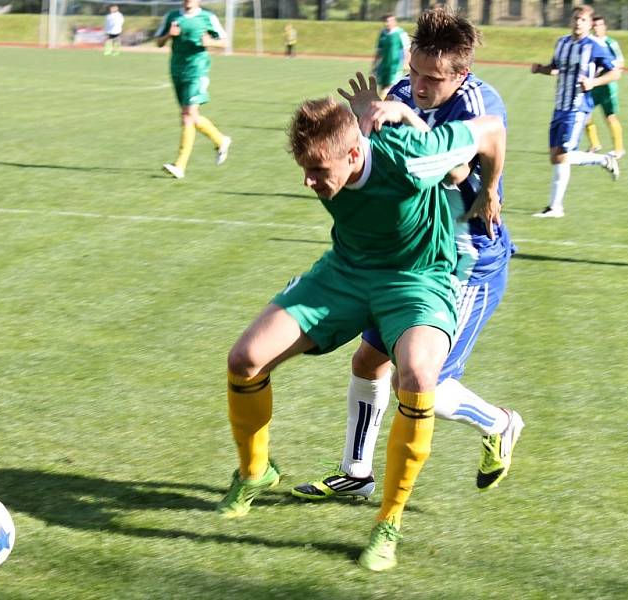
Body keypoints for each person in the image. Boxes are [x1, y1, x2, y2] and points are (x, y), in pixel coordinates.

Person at [217, 96, 506, 574]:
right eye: (304, 167)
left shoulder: (412, 155)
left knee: (416, 375)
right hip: (345, 271)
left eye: (315, 168)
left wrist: (489, 188)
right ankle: (254, 471)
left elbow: (491, 128)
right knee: (244, 358)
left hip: (417, 280)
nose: (307, 180)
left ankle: (387, 523)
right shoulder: (338, 160)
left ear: (354, 154)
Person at [292, 6, 523, 506]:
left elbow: (457, 174)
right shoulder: (399, 93)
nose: (418, 84)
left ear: (460, 74)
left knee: (422, 383)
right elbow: (376, 161)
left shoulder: (480, 102)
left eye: (432, 78)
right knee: (368, 359)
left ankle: (501, 423)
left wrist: (411, 122)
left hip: (468, 261)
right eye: (414, 71)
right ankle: (356, 472)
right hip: (411, 261)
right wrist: (357, 127)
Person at [530, 4, 620, 218]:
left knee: (564, 155)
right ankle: (603, 160)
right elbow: (556, 68)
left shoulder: (595, 46)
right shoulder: (562, 43)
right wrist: (540, 69)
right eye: (576, 19)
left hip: (577, 107)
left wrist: (594, 81)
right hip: (559, 105)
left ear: (589, 24)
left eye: (583, 20)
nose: (578, 23)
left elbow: (615, 73)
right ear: (571, 21)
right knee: (556, 157)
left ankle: (555, 207)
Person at [154, 0, 231, 179]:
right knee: (190, 116)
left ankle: (180, 165)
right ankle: (221, 140)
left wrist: (209, 42)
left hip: (197, 70)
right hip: (177, 71)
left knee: (188, 115)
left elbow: (224, 42)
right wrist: (169, 35)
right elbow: (158, 42)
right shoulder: (172, 16)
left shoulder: (207, 17)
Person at [584, 14, 625, 159]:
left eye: (599, 25)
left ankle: (619, 149)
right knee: (585, 115)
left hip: (607, 87)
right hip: (592, 86)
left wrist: (606, 69)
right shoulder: (589, 43)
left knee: (610, 117)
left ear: (604, 27)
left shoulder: (610, 43)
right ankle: (595, 144)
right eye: (594, 25)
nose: (596, 28)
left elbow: (620, 63)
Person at [372, 14, 410, 99]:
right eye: (385, 21)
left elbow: (406, 49)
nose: (387, 23)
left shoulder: (400, 33)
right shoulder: (383, 33)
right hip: (383, 66)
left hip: (395, 66)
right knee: (381, 87)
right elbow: (379, 51)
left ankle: (383, 106)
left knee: (390, 88)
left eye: (389, 21)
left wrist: (406, 63)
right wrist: (374, 65)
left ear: (394, 21)